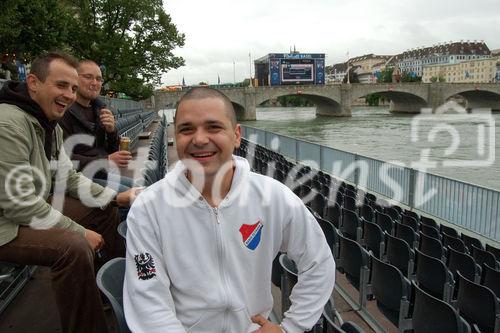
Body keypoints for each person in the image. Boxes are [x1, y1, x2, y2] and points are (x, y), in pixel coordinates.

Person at [123, 87, 335, 333]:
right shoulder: (149, 208)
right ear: (175, 136)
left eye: (213, 127)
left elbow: (317, 261)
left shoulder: (273, 197)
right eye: (186, 129)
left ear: (236, 135)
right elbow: (148, 299)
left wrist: (291, 327)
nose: (199, 139)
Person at [0, 51, 138, 333]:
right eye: (61, 85)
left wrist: (114, 197)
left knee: (105, 209)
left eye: (73, 88)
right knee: (72, 248)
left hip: (29, 207)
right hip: (7, 223)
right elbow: (18, 204)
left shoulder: (47, 121)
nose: (70, 94)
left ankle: (113, 289)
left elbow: (70, 177)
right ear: (34, 83)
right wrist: (78, 231)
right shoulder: (8, 123)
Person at [60, 59, 134, 193]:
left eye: (99, 79)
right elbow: (64, 158)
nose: (94, 83)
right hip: (77, 178)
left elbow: (111, 151)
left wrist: (112, 131)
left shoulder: (100, 109)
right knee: (132, 198)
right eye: (88, 77)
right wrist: (105, 160)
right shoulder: (63, 111)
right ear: (74, 79)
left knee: (141, 188)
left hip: (101, 174)